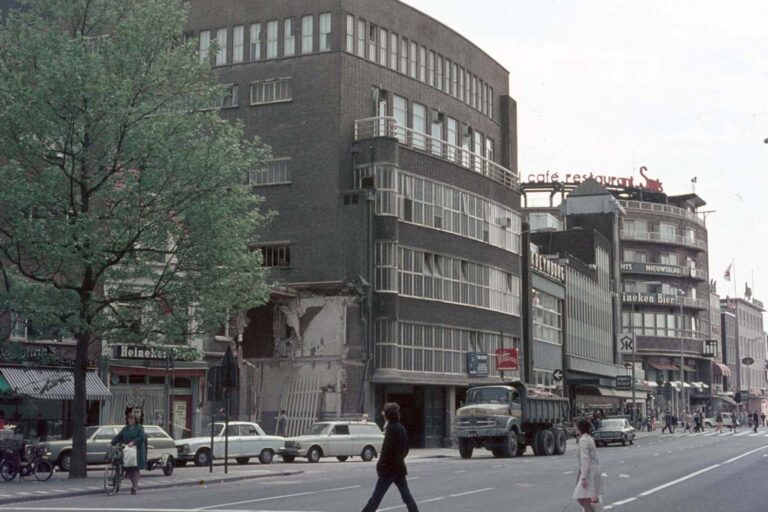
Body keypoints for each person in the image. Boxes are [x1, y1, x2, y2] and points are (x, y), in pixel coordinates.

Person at [360, 403, 419, 512]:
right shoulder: (401, 427)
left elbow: (386, 451)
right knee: (406, 496)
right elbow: (405, 449)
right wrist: (399, 459)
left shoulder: (391, 429)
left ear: (387, 415)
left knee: (377, 496)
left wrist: (381, 465)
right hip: (399, 468)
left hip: (388, 469)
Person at [111, 407, 146, 495]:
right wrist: (111, 443)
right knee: (128, 469)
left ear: (135, 419)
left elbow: (142, 437)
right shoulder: (125, 428)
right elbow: (119, 436)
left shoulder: (139, 427)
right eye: (128, 418)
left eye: (131, 418)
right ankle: (121, 484)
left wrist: (133, 442)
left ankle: (134, 487)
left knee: (135, 469)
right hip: (127, 450)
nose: (130, 420)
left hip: (137, 451)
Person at [573, 418, 602, 512]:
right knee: (586, 498)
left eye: (575, 426)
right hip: (592, 471)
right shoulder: (588, 438)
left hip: (589, 472)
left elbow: (585, 459)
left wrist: (584, 477)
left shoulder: (583, 440)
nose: (574, 428)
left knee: (582, 498)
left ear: (580, 428)